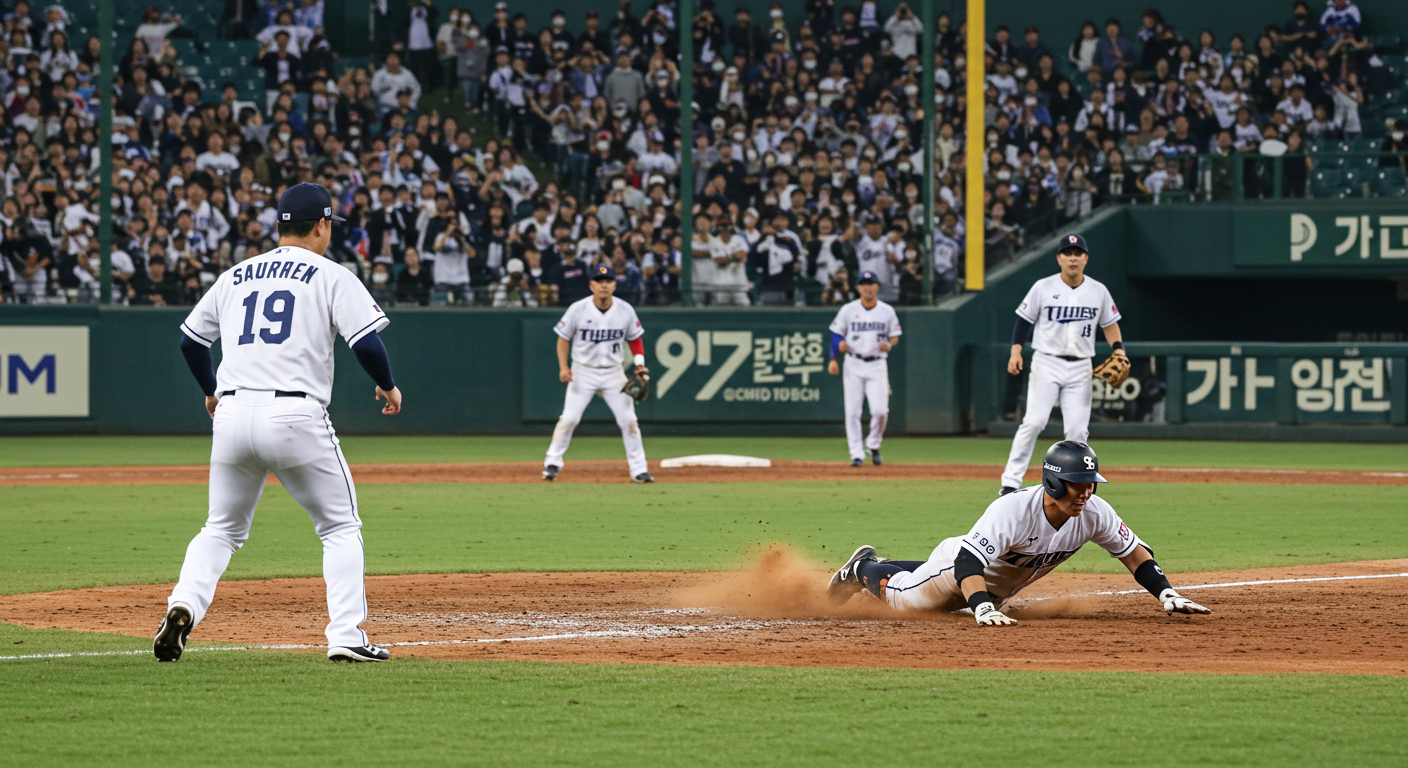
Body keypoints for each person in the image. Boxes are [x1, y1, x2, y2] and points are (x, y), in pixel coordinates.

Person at [157, 183, 403, 664]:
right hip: (294, 414)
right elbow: (367, 343)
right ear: (323, 225)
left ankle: (183, 603)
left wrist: (210, 390)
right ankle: (346, 635)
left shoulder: (236, 274)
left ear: (279, 226)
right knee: (339, 526)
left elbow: (191, 341)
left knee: (220, 529)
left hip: (231, 414)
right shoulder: (331, 274)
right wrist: (388, 385)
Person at [826, 441, 1213, 625]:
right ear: (1054, 483)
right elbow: (968, 562)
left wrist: (1166, 593)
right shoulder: (1013, 510)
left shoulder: (1095, 512)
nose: (1086, 492)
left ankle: (896, 566)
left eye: (1091, 483)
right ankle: (862, 568)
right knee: (907, 602)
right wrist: (982, 606)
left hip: (992, 583)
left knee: (960, 602)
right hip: (959, 568)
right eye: (1078, 484)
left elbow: (1133, 553)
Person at [1000, 234, 1126, 496]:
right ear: (1059, 258)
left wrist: (1119, 349)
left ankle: (1075, 483)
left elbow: (1110, 323)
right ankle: (1010, 482)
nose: (1072, 258)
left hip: (1081, 366)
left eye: (1078, 253)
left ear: (1086, 259)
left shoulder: (1098, 290)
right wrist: (1016, 351)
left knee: (1078, 431)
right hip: (1047, 362)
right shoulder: (1042, 287)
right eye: (1067, 253)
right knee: (1034, 422)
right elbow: (1024, 321)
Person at [542, 263, 652, 483]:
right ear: (591, 285)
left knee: (629, 420)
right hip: (583, 372)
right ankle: (552, 463)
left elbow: (635, 339)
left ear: (614, 285)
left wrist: (639, 364)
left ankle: (639, 470)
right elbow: (563, 339)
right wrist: (564, 367)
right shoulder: (578, 309)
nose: (604, 285)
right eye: (599, 282)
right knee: (569, 418)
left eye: (608, 281)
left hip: (614, 373)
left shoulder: (625, 309)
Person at [827, 271, 901, 467]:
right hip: (853, 363)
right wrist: (834, 356)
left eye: (871, 283)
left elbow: (895, 335)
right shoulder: (848, 310)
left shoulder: (887, 311)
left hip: (877, 364)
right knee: (852, 412)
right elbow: (836, 333)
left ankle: (873, 444)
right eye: (864, 284)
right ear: (858, 288)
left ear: (877, 287)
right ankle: (856, 454)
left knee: (880, 411)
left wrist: (889, 344)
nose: (867, 287)